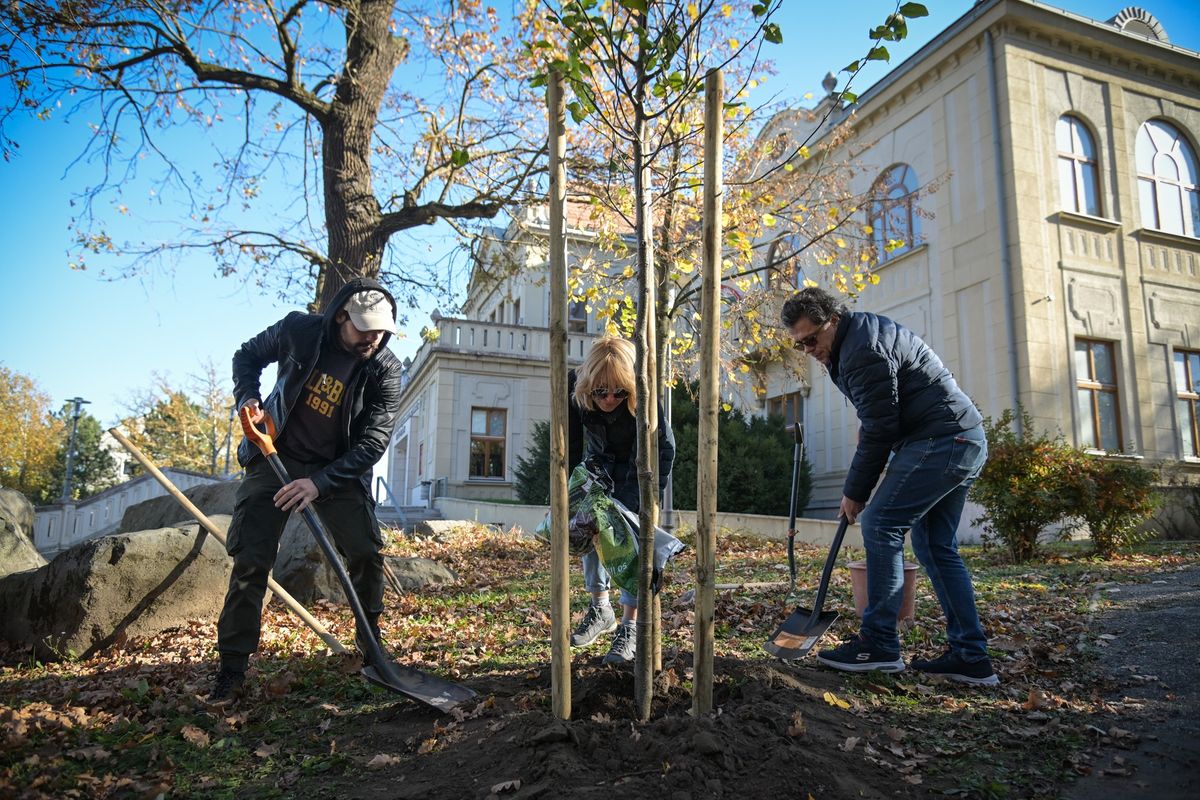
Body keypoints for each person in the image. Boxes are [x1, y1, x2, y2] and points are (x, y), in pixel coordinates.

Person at [781, 286, 998, 686]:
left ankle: (879, 644)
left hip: (942, 440)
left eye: (811, 339)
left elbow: (882, 427)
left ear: (833, 319)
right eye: (800, 345)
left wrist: (854, 492)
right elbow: (882, 413)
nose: (808, 349)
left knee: (881, 523)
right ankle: (971, 657)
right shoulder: (855, 340)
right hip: (960, 439)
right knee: (935, 546)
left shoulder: (862, 349)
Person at [209, 277, 402, 702]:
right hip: (274, 456)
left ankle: (373, 652)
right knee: (251, 562)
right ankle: (232, 670)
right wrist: (248, 398)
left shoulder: (386, 369)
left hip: (336, 471)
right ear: (340, 317)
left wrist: (318, 483)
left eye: (383, 329)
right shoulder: (299, 330)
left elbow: (373, 442)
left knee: (367, 554)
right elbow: (247, 355)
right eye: (365, 328)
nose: (375, 338)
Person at [567, 336, 675, 665]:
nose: (610, 398)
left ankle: (630, 625)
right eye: (601, 392)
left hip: (636, 473)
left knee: (629, 542)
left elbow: (665, 449)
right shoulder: (575, 388)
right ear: (588, 386)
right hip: (598, 467)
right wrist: (567, 494)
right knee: (590, 525)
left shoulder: (641, 392)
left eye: (619, 392)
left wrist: (644, 499)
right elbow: (570, 443)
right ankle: (600, 607)